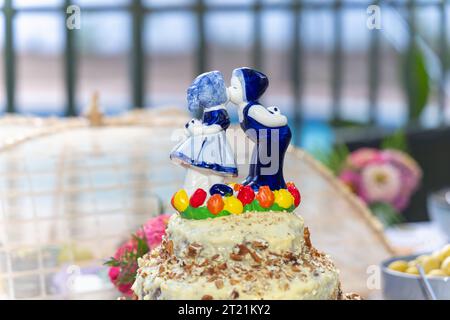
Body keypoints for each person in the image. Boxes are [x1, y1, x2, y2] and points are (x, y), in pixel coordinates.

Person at [170, 71, 238, 195]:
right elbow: (207, 127)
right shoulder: (208, 110)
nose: (198, 97)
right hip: (205, 149)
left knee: (215, 176)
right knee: (201, 173)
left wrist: (198, 130)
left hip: (215, 152)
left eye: (201, 92)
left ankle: (223, 195)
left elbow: (216, 128)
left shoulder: (220, 111)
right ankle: (200, 196)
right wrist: (194, 129)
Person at [228, 67, 291, 191]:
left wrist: (280, 117)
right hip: (263, 138)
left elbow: (272, 121)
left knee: (267, 162)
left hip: (275, 137)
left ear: (248, 92)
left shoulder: (253, 109)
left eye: (235, 88)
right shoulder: (243, 108)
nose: (230, 90)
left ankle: (268, 185)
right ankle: (253, 178)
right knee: (256, 157)